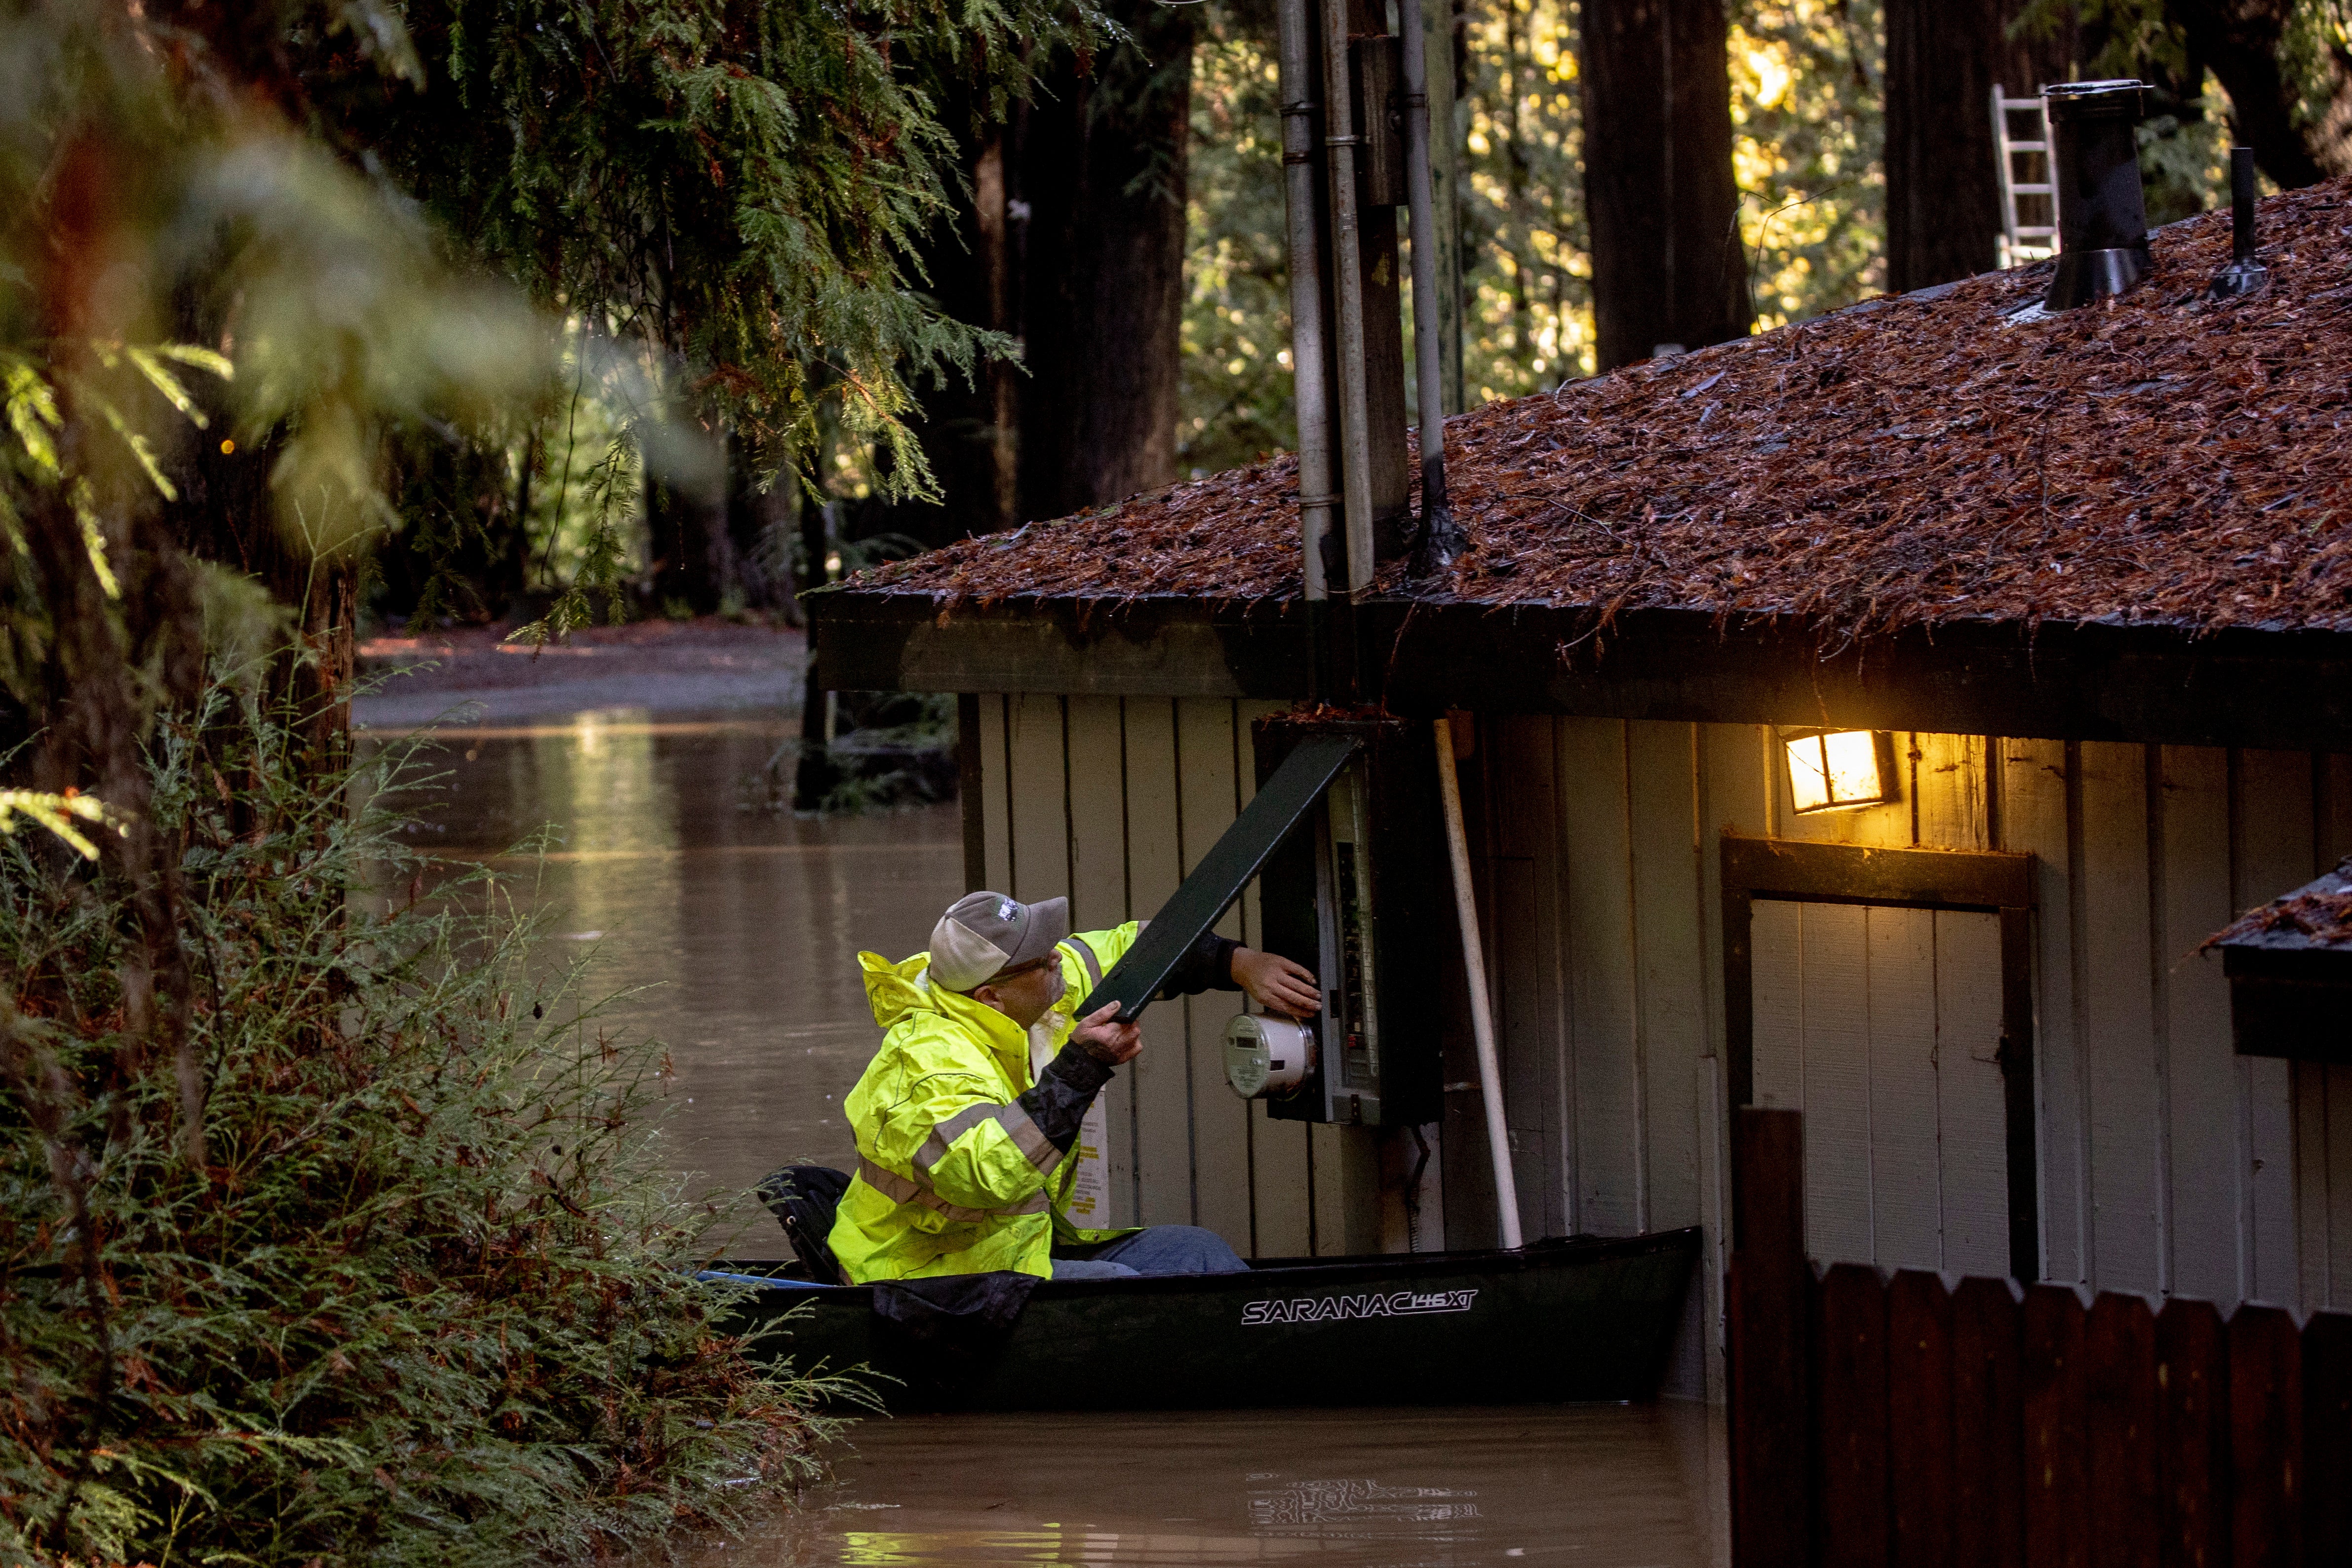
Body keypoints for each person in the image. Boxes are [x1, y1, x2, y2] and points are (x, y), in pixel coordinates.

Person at [830, 891, 1320, 1282]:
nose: (1058, 960)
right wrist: (1082, 1068)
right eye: (1042, 961)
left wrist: (1237, 962)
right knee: (1118, 1289)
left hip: (1019, 1247)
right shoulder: (926, 1062)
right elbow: (986, 1174)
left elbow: (1137, 949)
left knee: (1199, 1252)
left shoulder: (1038, 994)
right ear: (990, 997)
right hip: (926, 1275)